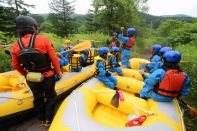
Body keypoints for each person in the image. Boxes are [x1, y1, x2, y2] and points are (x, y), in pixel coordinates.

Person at [11, 15, 62, 126]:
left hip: (31, 77)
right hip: (47, 76)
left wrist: (25, 73)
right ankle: (49, 119)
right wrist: (58, 72)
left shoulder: (15, 45)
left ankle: (41, 119)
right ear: (32, 27)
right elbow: (54, 58)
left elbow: (15, 64)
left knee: (37, 97)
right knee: (51, 96)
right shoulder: (43, 39)